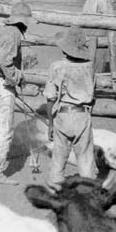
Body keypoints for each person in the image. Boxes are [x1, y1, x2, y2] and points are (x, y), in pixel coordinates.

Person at [0, 1, 36, 185]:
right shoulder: (14, 33)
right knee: (4, 130)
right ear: (23, 22)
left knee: (1, 126)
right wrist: (15, 77)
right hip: (2, 84)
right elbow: (4, 60)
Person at [43, 27, 97, 191]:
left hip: (63, 115)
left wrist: (51, 123)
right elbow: (94, 95)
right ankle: (88, 190)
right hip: (83, 115)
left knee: (59, 155)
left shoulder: (57, 67)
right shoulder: (90, 67)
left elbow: (50, 97)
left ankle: (56, 187)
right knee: (86, 157)